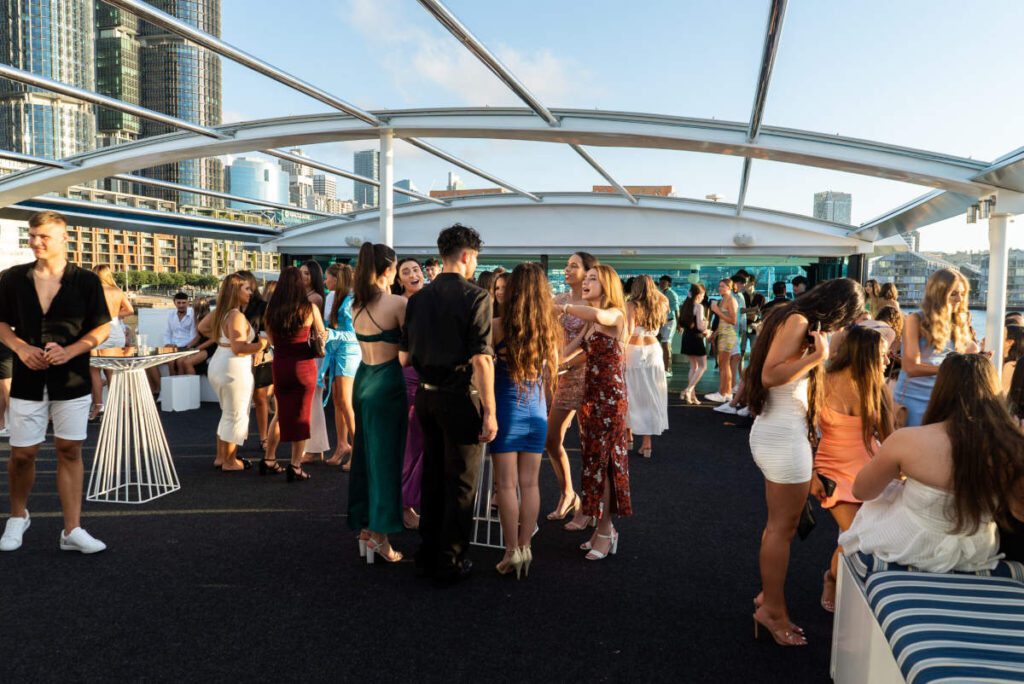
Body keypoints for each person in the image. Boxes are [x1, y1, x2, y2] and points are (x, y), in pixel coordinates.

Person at [745, 277, 864, 646]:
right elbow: (769, 375)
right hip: (782, 437)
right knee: (782, 528)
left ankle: (769, 597)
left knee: (779, 527)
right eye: (847, 319)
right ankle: (772, 611)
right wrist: (817, 357)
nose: (843, 328)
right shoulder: (796, 321)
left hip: (779, 432)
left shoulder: (792, 319)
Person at [839, 353, 1024, 572]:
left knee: (867, 517)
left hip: (912, 545)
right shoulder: (1013, 446)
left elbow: (862, 491)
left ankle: (833, 580)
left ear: (941, 389)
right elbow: (1018, 511)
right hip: (977, 550)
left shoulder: (907, 440)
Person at [0, 210, 112, 554]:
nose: (35, 242)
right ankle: (17, 517)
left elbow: (102, 327)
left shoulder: (86, 281)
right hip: (28, 378)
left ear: (64, 238)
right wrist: (20, 347)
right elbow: (1, 324)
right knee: (22, 454)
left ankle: (72, 529)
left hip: (73, 377)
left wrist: (72, 350)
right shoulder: (12, 278)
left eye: (43, 236)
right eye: (32, 235)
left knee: (70, 450)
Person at [402, 223, 496, 581]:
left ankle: (427, 552)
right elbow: (482, 359)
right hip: (459, 398)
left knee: (432, 476)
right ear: (468, 256)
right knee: (461, 483)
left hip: (425, 396)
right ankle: (451, 560)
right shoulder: (477, 297)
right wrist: (490, 411)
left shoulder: (418, 299)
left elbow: (407, 356)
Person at [811, 324, 895, 612]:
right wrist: (810, 474)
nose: (888, 361)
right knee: (855, 536)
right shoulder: (821, 380)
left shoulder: (878, 388)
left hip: (869, 470)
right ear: (864, 355)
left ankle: (841, 579)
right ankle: (831, 578)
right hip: (831, 470)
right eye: (883, 355)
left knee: (860, 536)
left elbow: (890, 438)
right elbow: (805, 431)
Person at [557, 264, 632, 560]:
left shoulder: (614, 314)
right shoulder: (590, 319)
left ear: (608, 286)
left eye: (592, 279)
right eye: (585, 278)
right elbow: (572, 353)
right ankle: (599, 526)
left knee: (605, 462)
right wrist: (556, 364)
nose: (586, 282)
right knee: (591, 461)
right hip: (590, 395)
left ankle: (606, 529)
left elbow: (600, 316)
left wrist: (564, 308)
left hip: (610, 399)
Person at [492, 262, 559, 578]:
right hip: (536, 411)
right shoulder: (548, 328)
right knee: (530, 483)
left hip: (506, 410)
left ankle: (510, 552)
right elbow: (551, 376)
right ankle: (526, 548)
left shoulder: (497, 326)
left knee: (506, 485)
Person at [350, 242, 407, 564]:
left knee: (366, 457)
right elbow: (409, 354)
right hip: (387, 383)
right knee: (385, 462)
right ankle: (380, 537)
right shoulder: (397, 303)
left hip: (364, 378)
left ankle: (364, 529)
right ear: (388, 270)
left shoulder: (355, 305)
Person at [262, 267, 326, 481]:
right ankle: (295, 465)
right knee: (301, 416)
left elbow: (271, 341)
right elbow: (321, 336)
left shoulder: (271, 309)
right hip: (304, 366)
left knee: (281, 414)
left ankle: (269, 459)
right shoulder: (308, 309)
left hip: (281, 365)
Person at [549, 252, 599, 524]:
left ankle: (589, 507)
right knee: (550, 438)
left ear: (590, 272)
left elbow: (593, 347)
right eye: (566, 265)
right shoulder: (559, 300)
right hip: (562, 374)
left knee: (589, 446)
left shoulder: (596, 304)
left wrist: (564, 365)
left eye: (574, 266)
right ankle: (568, 492)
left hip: (588, 376)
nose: (567, 270)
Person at [200, 273, 268, 472]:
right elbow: (239, 347)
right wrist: (260, 345)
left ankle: (222, 457)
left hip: (220, 362)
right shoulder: (236, 315)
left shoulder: (223, 312)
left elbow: (202, 327)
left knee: (227, 412)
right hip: (233, 366)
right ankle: (230, 461)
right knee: (236, 414)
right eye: (247, 288)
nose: (251, 292)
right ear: (236, 291)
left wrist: (221, 339)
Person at [893, 268, 977, 427]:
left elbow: (965, 350)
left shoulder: (958, 323)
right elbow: (910, 367)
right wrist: (951, 367)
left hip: (945, 399)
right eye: (953, 293)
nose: (959, 299)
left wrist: (977, 358)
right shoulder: (915, 320)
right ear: (938, 293)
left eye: (962, 293)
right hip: (913, 400)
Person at [394, 257, 425, 529]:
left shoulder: (430, 299)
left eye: (416, 269)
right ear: (399, 279)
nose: (413, 274)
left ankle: (412, 499)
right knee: (412, 443)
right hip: (410, 376)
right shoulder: (401, 304)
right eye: (406, 272)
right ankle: (406, 503)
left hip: (431, 377)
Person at [624, 275, 669, 457]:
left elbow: (627, 332)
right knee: (650, 394)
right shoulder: (659, 304)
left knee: (630, 393)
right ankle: (647, 443)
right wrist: (653, 291)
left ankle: (628, 437)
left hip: (634, 349)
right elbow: (663, 298)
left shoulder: (630, 305)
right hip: (653, 350)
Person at [322, 263, 360, 468]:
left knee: (346, 402)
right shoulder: (334, 297)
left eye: (327, 277)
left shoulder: (353, 300)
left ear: (336, 279)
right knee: (338, 400)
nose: (325, 281)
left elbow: (356, 333)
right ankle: (342, 445)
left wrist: (332, 334)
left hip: (350, 352)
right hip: (336, 349)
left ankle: (358, 451)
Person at [89, 264, 133, 420]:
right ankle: (118, 406)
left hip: (99, 331)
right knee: (111, 370)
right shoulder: (117, 291)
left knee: (94, 370)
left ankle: (99, 407)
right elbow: (130, 310)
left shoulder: (93, 291)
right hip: (116, 332)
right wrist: (115, 314)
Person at [238, 272, 273, 452]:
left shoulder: (262, 306)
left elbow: (268, 330)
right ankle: (236, 436)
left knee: (260, 397)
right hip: (237, 356)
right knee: (239, 399)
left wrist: (261, 348)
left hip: (259, 354)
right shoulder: (232, 307)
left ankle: (264, 437)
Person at [300, 261, 330, 461]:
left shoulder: (315, 299)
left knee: (313, 400)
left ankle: (314, 447)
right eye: (301, 273)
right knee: (311, 400)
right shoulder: (307, 297)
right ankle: (314, 447)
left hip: (313, 352)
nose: (302, 277)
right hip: (308, 352)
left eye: (307, 274)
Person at [706, 279, 739, 403]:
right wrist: (714, 334)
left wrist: (717, 310)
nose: (720, 288)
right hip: (723, 334)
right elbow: (722, 322)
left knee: (724, 365)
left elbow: (733, 320)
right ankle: (726, 393)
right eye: (719, 286)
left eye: (723, 286)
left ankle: (724, 392)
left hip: (728, 335)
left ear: (730, 288)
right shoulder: (722, 300)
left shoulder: (731, 300)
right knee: (723, 365)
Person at [678, 283, 710, 404]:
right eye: (703, 294)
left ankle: (692, 397)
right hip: (696, 338)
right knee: (703, 366)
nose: (703, 297)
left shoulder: (685, 305)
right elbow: (701, 327)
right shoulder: (699, 307)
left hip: (687, 337)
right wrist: (706, 325)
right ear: (699, 294)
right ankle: (688, 390)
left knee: (693, 367)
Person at [177, 299, 214, 376]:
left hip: (209, 347)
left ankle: (192, 387)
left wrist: (198, 348)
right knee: (179, 361)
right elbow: (198, 336)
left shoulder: (211, 318)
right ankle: (181, 385)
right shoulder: (198, 318)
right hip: (200, 345)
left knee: (187, 362)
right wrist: (188, 347)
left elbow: (213, 339)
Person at [656, 275, 680, 377]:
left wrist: (679, 324)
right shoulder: (660, 293)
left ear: (669, 284)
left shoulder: (672, 294)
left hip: (670, 321)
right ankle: (663, 367)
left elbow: (676, 310)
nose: (661, 284)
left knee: (666, 344)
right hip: (661, 322)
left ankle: (668, 369)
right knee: (661, 344)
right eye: (660, 282)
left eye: (663, 282)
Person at [1002, 325, 1024, 393]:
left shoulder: (1011, 366)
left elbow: (1002, 392)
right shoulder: (1017, 364)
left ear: (1009, 342)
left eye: (1001, 336)